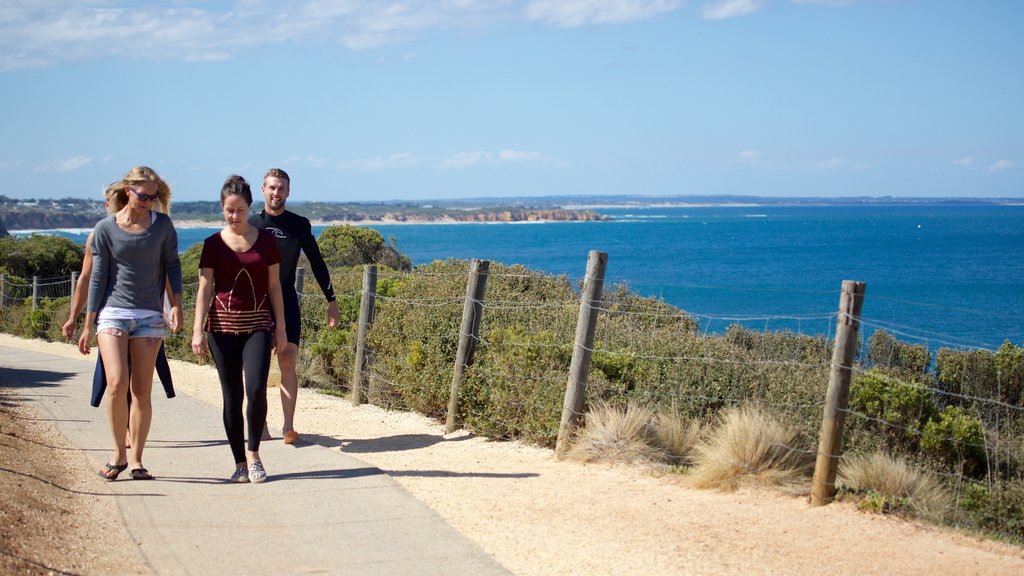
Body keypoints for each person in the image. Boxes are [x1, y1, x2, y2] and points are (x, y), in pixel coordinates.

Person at [78, 166, 183, 482]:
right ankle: (118, 454)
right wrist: (87, 323)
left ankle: (136, 459)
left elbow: (172, 266)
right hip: (112, 313)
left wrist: (176, 306)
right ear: (128, 190)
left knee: (142, 390)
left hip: (149, 316)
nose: (148, 201)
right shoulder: (104, 229)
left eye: (153, 197)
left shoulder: (162, 226)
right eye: (143, 195)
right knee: (116, 384)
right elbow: (96, 277)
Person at [192, 175, 287, 483]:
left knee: (257, 389)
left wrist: (281, 328)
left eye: (241, 210)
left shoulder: (267, 241)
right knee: (232, 396)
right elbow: (205, 289)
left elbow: (275, 288)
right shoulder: (212, 245)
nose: (235, 216)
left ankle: (255, 454)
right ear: (222, 208)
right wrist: (197, 330)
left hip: (259, 325)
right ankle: (239, 464)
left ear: (250, 208)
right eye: (229, 210)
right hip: (221, 330)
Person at [63, 192, 176, 424]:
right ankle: (124, 429)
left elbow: (164, 270)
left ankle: (133, 428)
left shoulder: (152, 230)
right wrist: (75, 317)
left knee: (140, 377)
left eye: (111, 202)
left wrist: (172, 306)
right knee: (117, 376)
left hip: (147, 311)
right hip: (111, 314)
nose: (108, 206)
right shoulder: (100, 233)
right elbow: (87, 278)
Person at [250, 168, 339, 445]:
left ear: (288, 192)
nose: (277, 193)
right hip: (256, 304)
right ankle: (260, 425)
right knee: (258, 367)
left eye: (281, 188)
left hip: (287, 299)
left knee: (287, 360)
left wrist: (331, 301)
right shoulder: (251, 224)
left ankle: (288, 426)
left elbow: (317, 262)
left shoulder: (299, 225)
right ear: (263, 190)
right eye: (272, 188)